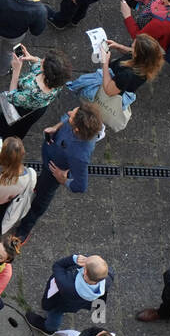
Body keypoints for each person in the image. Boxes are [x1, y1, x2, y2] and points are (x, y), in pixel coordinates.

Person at [12, 103, 105, 240]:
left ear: (77, 129)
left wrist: (63, 179)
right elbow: (65, 119)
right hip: (49, 156)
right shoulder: (81, 120)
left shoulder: (80, 155)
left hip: (53, 172)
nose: (68, 113)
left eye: (71, 116)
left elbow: (81, 186)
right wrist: (56, 127)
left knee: (41, 200)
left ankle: (25, 228)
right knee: (39, 185)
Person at [25, 253, 111, 336]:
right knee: (61, 310)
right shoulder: (108, 277)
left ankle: (49, 329)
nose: (85, 257)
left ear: (85, 271)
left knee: (56, 312)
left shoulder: (67, 285)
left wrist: (73, 259)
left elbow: (57, 265)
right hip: (77, 304)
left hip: (61, 302)